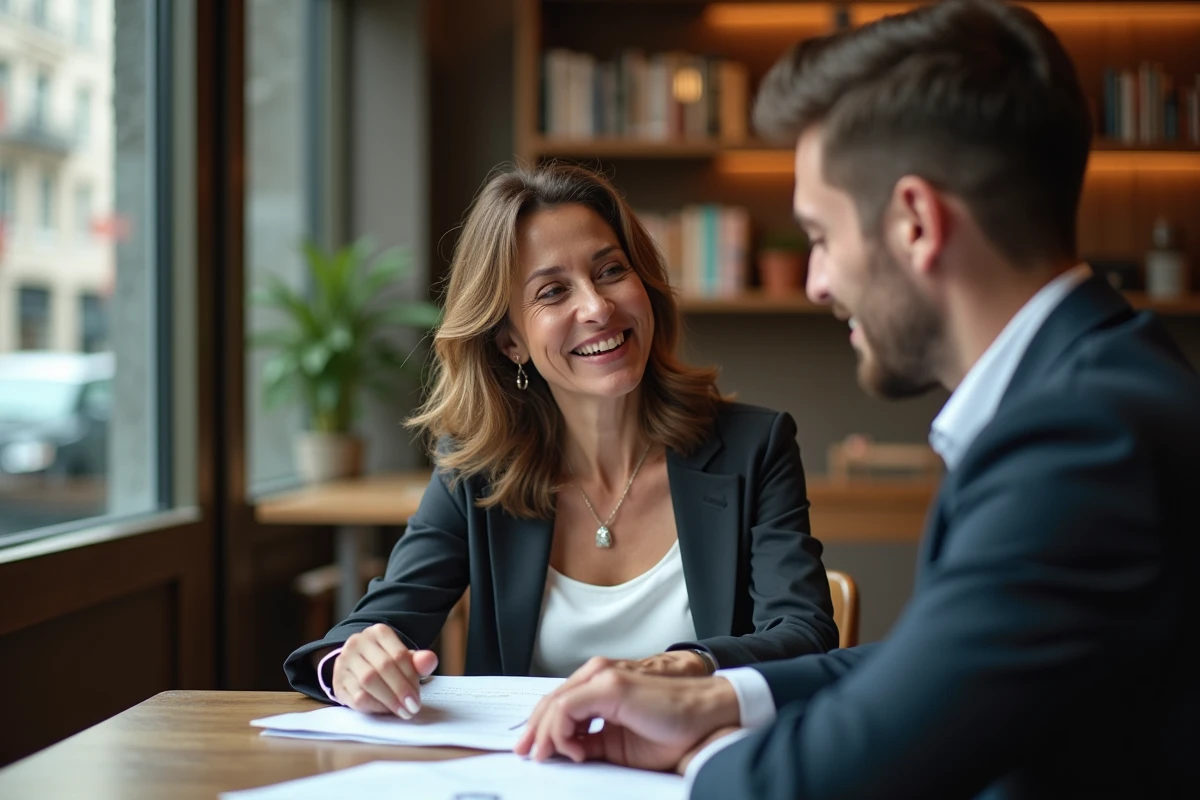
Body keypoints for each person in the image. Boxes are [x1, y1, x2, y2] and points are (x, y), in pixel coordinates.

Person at [514, 1, 1200, 797]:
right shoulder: (1109, 385)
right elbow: (938, 669)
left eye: (820, 236)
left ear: (915, 223)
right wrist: (721, 697)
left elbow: (840, 777)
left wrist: (695, 761)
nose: (815, 282)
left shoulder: (1078, 441)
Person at [283, 162, 838, 719]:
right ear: (510, 343)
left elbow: (804, 633)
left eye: (611, 270)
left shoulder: (754, 446)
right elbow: (375, 624)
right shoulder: (477, 469)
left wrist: (680, 666)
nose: (597, 308)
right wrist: (351, 661)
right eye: (552, 291)